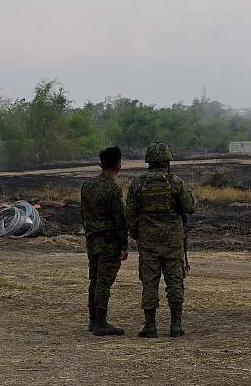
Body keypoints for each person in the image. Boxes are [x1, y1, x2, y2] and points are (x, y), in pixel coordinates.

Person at [126, 142, 198, 338]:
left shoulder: (138, 184)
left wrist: (137, 234)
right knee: (175, 282)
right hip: (173, 242)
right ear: (167, 161)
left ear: (149, 161)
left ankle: (150, 325)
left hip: (148, 242)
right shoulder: (176, 182)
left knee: (149, 283)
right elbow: (190, 207)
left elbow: (130, 214)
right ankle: (176, 324)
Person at [81, 146, 129, 336]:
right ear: (118, 165)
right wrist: (123, 245)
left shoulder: (87, 186)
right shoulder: (113, 188)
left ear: (100, 164)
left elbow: (83, 213)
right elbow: (119, 219)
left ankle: (93, 320)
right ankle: (101, 322)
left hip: (92, 239)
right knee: (103, 282)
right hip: (108, 241)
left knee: (94, 279)